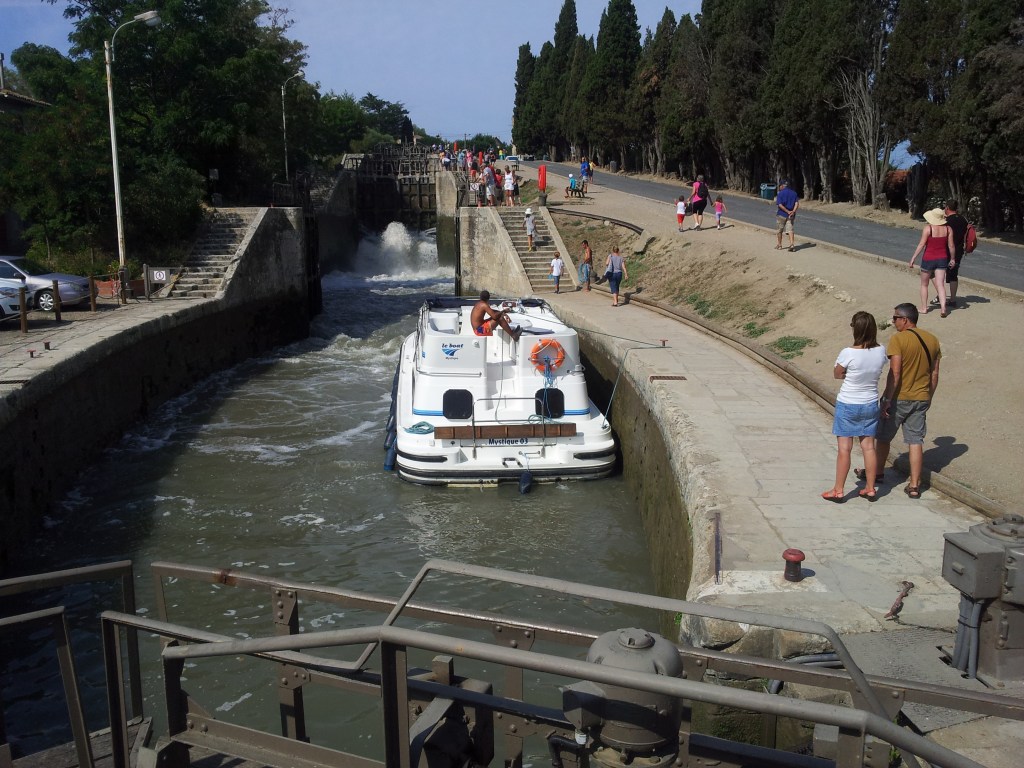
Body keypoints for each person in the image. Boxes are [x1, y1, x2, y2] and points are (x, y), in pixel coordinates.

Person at [869, 304, 941, 499]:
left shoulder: (898, 339)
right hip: (921, 398)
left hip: (900, 398)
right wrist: (929, 396)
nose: (893, 322)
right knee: (915, 441)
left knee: (883, 437)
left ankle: (877, 473)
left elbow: (895, 372)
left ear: (905, 319)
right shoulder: (932, 340)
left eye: (895, 318)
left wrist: (887, 399)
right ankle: (915, 485)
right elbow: (934, 373)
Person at [822, 312, 888, 503]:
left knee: (845, 448)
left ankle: (838, 489)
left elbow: (837, 373)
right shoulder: (881, 350)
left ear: (855, 329)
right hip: (870, 403)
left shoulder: (848, 352)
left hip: (849, 403)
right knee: (868, 447)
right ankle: (870, 488)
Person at [909, 208, 955, 317]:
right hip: (942, 259)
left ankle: (924, 308)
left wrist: (913, 258)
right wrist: (952, 258)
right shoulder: (948, 229)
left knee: (924, 284)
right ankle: (943, 308)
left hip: (928, 258)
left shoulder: (928, 228)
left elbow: (921, 245)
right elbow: (951, 246)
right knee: (940, 285)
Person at [933, 200, 968, 310]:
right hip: (958, 250)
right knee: (953, 275)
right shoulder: (963, 220)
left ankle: (940, 296)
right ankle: (952, 299)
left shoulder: (946, 221)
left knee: (938, 274)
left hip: (945, 250)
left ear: (947, 208)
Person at [774, 179, 799, 251]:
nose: (779, 187)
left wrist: (787, 211)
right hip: (791, 215)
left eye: (779, 186)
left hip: (782, 214)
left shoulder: (780, 193)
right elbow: (796, 203)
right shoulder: (794, 193)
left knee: (779, 230)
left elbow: (780, 204)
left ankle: (779, 245)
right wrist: (793, 211)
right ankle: (791, 244)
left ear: (782, 186)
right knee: (790, 229)